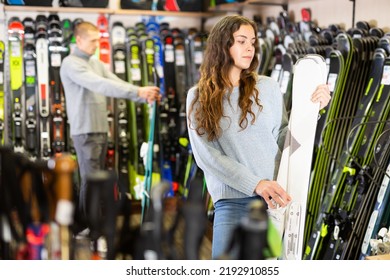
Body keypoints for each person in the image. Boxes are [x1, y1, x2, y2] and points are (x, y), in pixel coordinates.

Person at [186, 15, 331, 259]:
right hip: (232, 203)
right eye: (241, 41)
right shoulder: (198, 96)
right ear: (223, 45)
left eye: (252, 41)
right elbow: (207, 157)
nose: (250, 48)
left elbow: (285, 138)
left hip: (274, 203)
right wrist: (256, 183)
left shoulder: (268, 87)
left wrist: (312, 109)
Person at [60, 21, 161, 235]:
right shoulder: (71, 63)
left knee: (95, 179)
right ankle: (87, 227)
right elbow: (100, 85)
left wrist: (143, 96)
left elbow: (114, 82)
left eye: (98, 40)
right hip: (85, 131)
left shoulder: (95, 63)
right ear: (79, 40)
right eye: (93, 40)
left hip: (99, 129)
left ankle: (86, 224)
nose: (97, 44)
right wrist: (138, 91)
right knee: (90, 180)